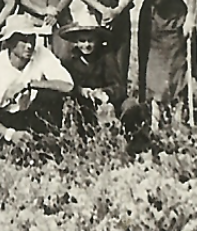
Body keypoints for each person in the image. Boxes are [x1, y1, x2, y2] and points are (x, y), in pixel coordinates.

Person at [0, 14, 74, 146]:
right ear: (9, 42)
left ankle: (49, 141)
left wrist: (30, 84)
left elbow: (68, 85)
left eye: (31, 38)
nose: (29, 45)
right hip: (4, 122)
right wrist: (10, 134)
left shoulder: (41, 53)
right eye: (22, 39)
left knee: (50, 94)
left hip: (32, 116)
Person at [57, 22, 150, 152]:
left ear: (98, 41)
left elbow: (119, 86)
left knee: (131, 106)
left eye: (90, 41)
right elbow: (64, 84)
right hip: (82, 105)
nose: (86, 45)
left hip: (108, 103)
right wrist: (80, 91)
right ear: (76, 43)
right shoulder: (70, 60)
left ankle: (133, 146)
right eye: (82, 41)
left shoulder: (106, 56)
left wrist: (105, 93)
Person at [136, 0, 196, 118]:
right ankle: (155, 114)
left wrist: (191, 17)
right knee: (156, 66)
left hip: (176, 14)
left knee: (178, 64)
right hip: (155, 18)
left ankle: (179, 112)